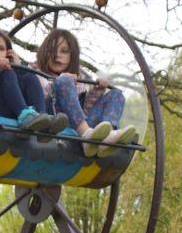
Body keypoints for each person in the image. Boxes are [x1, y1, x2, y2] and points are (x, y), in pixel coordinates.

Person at [35, 28, 136, 157]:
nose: (57, 55)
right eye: (52, 50)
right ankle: (86, 136)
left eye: (64, 51)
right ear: (44, 52)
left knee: (116, 94)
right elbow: (36, 99)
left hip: (79, 125)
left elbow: (84, 110)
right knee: (64, 80)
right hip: (54, 120)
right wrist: (62, 81)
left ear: (73, 56)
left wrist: (97, 91)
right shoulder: (35, 73)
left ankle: (108, 135)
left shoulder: (81, 79)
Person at [0, 28, 68, 134]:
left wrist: (18, 68)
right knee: (8, 73)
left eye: (1, 48)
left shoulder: (11, 72)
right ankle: (25, 115)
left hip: (12, 111)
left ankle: (42, 119)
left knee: (30, 76)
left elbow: (16, 86)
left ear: (8, 54)